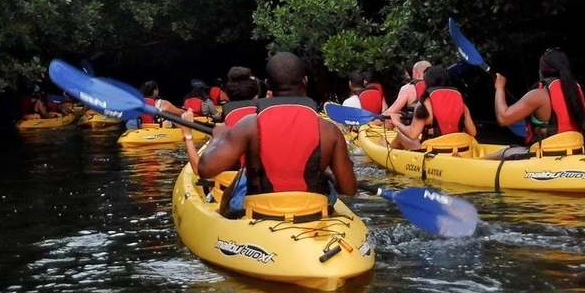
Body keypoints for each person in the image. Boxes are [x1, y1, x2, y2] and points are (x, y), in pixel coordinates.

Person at [196, 52, 356, 216]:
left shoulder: (248, 125)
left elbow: (205, 169)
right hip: (312, 212)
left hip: (261, 212)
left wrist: (218, 137)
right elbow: (349, 189)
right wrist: (327, 171)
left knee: (241, 176)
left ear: (267, 85)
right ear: (305, 81)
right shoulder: (329, 130)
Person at [485, 48, 585, 159]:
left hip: (547, 153)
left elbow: (503, 118)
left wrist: (499, 88)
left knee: (499, 154)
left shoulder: (539, 95)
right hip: (576, 148)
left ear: (541, 71)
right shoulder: (576, 91)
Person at [183, 66, 261, 175]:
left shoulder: (221, 131)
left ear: (228, 96)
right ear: (256, 95)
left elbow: (198, 169)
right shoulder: (268, 122)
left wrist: (188, 135)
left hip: (231, 182)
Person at [388, 66, 477, 150]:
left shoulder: (425, 104)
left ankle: (390, 156)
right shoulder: (461, 104)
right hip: (459, 148)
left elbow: (412, 134)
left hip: (433, 150)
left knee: (400, 135)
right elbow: (473, 133)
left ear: (426, 82)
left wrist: (397, 123)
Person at [371, 60, 431, 128]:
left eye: (413, 72)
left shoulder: (408, 88)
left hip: (413, 129)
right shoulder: (436, 87)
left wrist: (374, 120)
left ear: (417, 73)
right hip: (435, 129)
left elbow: (391, 112)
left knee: (389, 120)